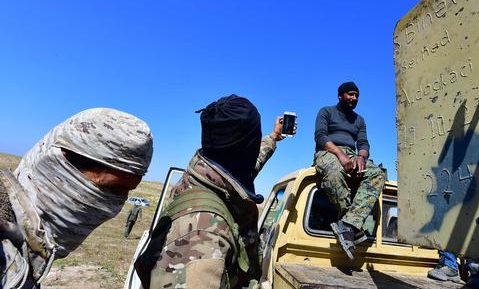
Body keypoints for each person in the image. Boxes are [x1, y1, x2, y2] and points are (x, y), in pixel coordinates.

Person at [138, 95, 295, 289]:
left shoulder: (209, 173)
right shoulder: (201, 235)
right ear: (247, 146)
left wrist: (273, 137)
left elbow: (246, 167)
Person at [0, 108, 153, 288]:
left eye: (126, 192)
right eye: (111, 188)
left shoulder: (23, 246)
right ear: (59, 164)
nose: (114, 207)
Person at [313, 81, 386, 260]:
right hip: (328, 151)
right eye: (350, 94)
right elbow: (320, 137)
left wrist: (361, 157)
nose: (354, 98)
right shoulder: (326, 111)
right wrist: (340, 154)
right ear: (340, 95)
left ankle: (348, 226)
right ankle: (351, 225)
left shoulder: (359, 120)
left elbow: (363, 143)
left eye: (356, 96)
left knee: (378, 173)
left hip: (352, 154)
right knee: (334, 173)